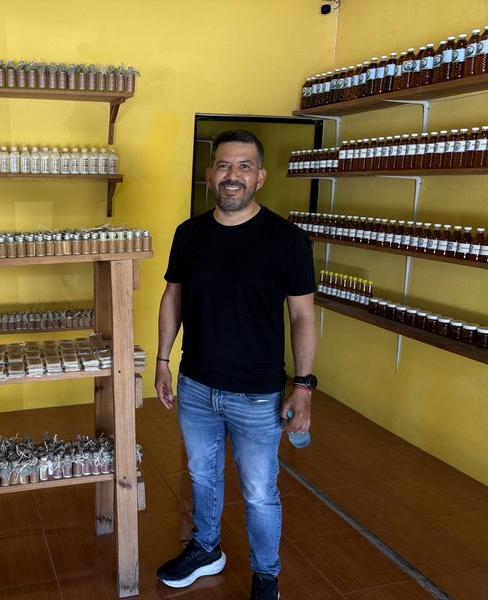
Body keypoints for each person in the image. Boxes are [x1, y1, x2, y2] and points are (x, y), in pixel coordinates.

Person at [154, 129, 317, 600]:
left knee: (259, 492)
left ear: (260, 177)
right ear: (210, 176)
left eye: (244, 166)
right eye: (224, 165)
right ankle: (206, 549)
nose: (232, 175)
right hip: (197, 386)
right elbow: (172, 298)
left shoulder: (287, 240)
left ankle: (266, 575)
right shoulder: (190, 234)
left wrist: (303, 385)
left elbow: (303, 315)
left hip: (258, 393)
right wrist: (163, 360)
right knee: (202, 476)